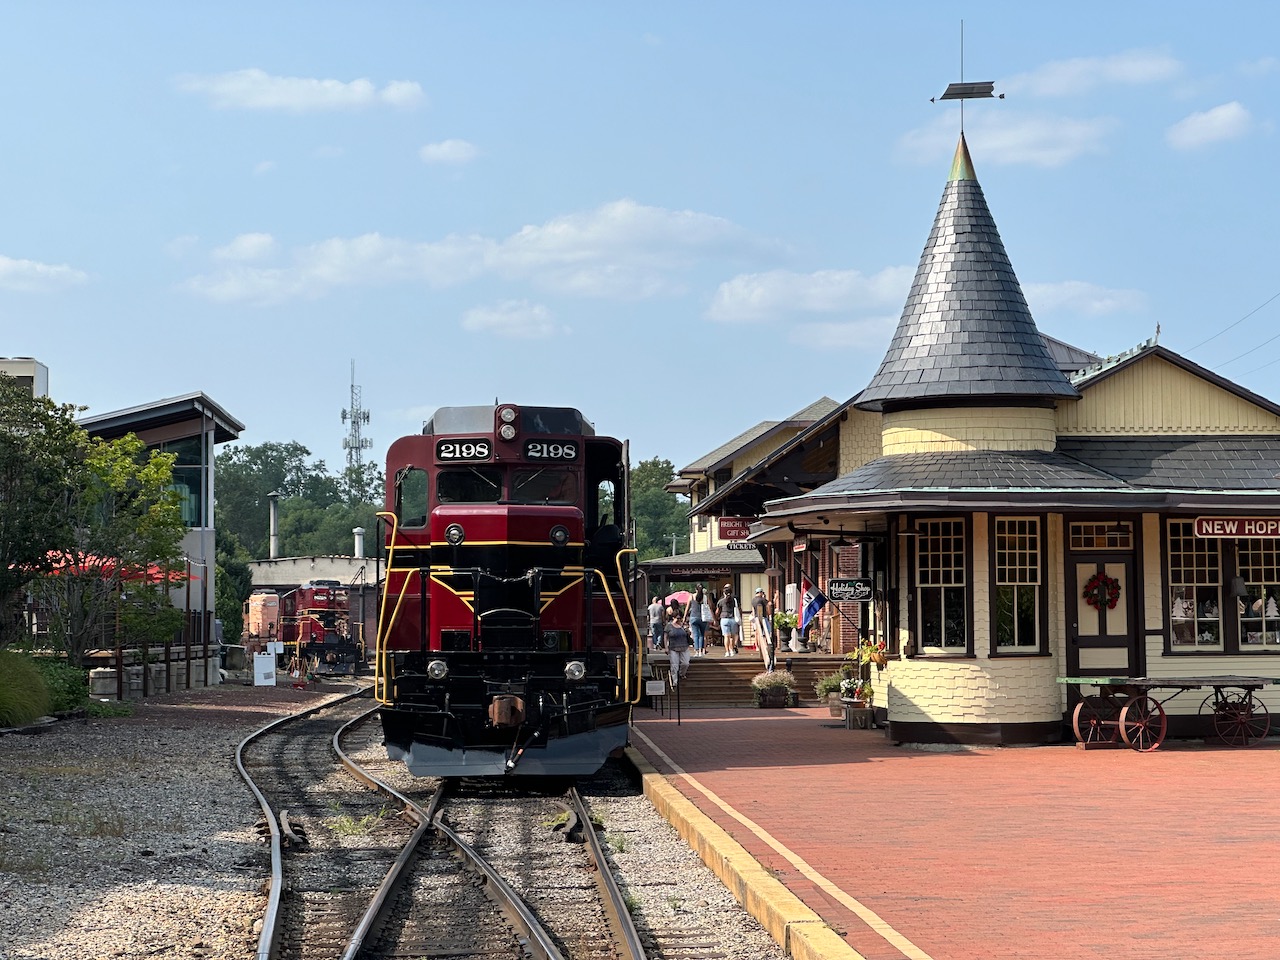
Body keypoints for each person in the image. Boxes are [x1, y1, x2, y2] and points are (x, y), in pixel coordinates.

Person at [665, 613, 692, 685]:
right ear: (673, 618)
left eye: (680, 618)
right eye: (678, 618)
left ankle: (681, 674)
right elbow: (665, 636)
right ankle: (674, 681)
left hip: (684, 646)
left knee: (686, 663)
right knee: (674, 665)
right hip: (673, 647)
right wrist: (666, 647)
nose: (679, 619)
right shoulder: (669, 626)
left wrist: (687, 630)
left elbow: (689, 634)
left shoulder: (683, 625)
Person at [751, 587, 775, 671]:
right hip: (763, 618)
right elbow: (770, 604)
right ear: (761, 592)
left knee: (758, 633)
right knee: (767, 633)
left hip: (756, 618)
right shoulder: (762, 599)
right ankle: (765, 648)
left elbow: (753, 610)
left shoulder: (753, 600)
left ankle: (758, 647)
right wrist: (774, 599)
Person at [716, 584, 741, 657]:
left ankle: (727, 652)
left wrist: (716, 618)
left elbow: (717, 612)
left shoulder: (721, 601)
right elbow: (739, 609)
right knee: (732, 637)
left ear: (724, 593)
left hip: (724, 619)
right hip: (733, 619)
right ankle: (732, 650)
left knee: (726, 636)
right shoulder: (734, 600)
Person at [688, 585, 708, 656]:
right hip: (703, 618)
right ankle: (701, 651)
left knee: (696, 635)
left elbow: (687, 608)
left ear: (695, 589)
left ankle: (696, 651)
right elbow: (710, 607)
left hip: (693, 617)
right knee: (702, 635)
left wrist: (684, 617)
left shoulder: (691, 596)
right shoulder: (705, 597)